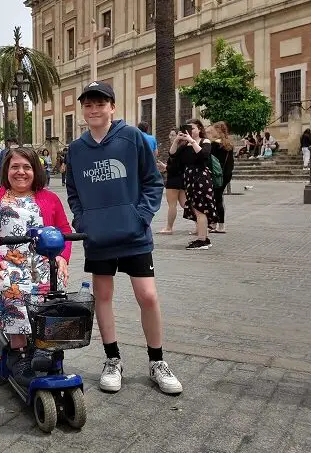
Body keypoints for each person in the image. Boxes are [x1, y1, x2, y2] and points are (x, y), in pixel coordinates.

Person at [65, 80, 182, 394]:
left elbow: (152, 181)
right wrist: (82, 219)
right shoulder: (76, 150)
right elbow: (73, 191)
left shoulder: (132, 138)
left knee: (148, 296)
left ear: (112, 107)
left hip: (134, 235)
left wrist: (140, 217)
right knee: (102, 297)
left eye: (100, 104)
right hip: (99, 238)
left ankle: (157, 361)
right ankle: (112, 359)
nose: (94, 110)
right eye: (88, 104)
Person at [0, 146, 73, 385]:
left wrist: (62, 257)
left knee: (55, 287)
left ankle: (45, 347)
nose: (21, 172)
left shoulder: (49, 198)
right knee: (12, 287)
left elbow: (64, 230)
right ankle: (18, 353)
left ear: (36, 170)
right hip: (7, 261)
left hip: (43, 259)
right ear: (6, 170)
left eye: (27, 167)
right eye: (15, 167)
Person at [180, 119, 216, 249]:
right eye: (188, 129)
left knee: (201, 209)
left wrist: (191, 141)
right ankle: (203, 238)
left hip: (201, 178)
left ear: (200, 129)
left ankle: (202, 239)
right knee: (196, 209)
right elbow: (175, 156)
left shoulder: (204, 142)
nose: (190, 131)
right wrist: (178, 141)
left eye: (193, 128)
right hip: (190, 179)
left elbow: (203, 155)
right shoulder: (186, 145)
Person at [159, 129, 187, 235]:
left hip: (174, 179)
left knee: (172, 204)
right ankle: (199, 223)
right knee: (185, 204)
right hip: (180, 179)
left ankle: (169, 227)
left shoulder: (177, 150)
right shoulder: (181, 149)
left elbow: (175, 167)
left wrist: (165, 167)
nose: (170, 136)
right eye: (170, 134)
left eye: (173, 135)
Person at [208, 121, 235, 234]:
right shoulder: (228, 144)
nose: (211, 133)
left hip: (217, 175)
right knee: (218, 198)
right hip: (226, 175)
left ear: (218, 131)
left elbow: (210, 161)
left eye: (213, 131)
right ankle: (215, 223)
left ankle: (221, 226)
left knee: (216, 199)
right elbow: (231, 163)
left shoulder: (215, 145)